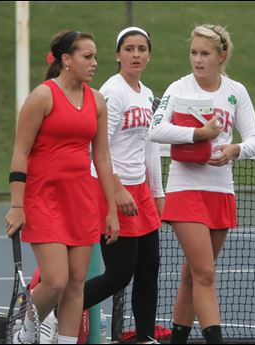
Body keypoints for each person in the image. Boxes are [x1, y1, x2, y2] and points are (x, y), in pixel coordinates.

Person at [149, 24, 255, 344]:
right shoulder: (178, 88)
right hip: (185, 190)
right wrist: (196, 135)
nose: (197, 60)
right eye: (193, 52)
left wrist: (234, 150)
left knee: (191, 275)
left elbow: (254, 139)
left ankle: (178, 340)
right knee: (206, 274)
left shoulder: (235, 91)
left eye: (205, 54)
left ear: (221, 56)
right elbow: (155, 130)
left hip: (221, 190)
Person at [5, 30, 119, 344]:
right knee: (55, 280)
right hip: (43, 199)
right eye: (87, 56)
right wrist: (17, 204)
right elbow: (20, 152)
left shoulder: (97, 100)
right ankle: (26, 333)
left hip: (81, 202)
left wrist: (111, 209)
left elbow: (103, 159)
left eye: (95, 56)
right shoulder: (42, 96)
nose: (94, 62)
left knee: (76, 284)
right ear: (66, 60)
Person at [81, 26, 165, 344]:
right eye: (129, 49)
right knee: (119, 274)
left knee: (149, 269)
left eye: (142, 49)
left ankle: (145, 337)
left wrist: (157, 192)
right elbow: (96, 147)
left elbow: (150, 146)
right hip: (109, 188)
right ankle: (56, 310)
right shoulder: (112, 92)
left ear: (148, 54)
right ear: (118, 55)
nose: (136, 54)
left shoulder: (146, 94)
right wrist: (116, 189)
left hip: (140, 191)